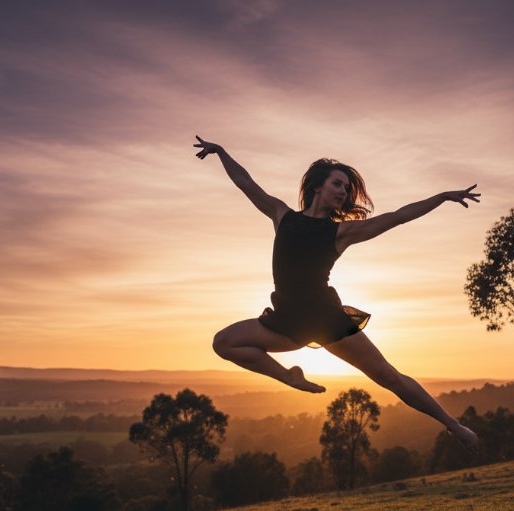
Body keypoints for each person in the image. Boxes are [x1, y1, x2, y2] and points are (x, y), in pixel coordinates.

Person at [195, 136, 480, 449]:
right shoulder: (282, 215)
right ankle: (289, 377)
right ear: (318, 185)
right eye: (338, 184)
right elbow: (247, 184)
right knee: (224, 342)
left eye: (346, 188)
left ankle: (453, 425)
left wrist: (442, 197)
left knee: (389, 376)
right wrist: (222, 152)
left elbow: (397, 216)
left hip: (325, 319)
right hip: (287, 321)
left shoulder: (341, 232)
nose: (343, 192)